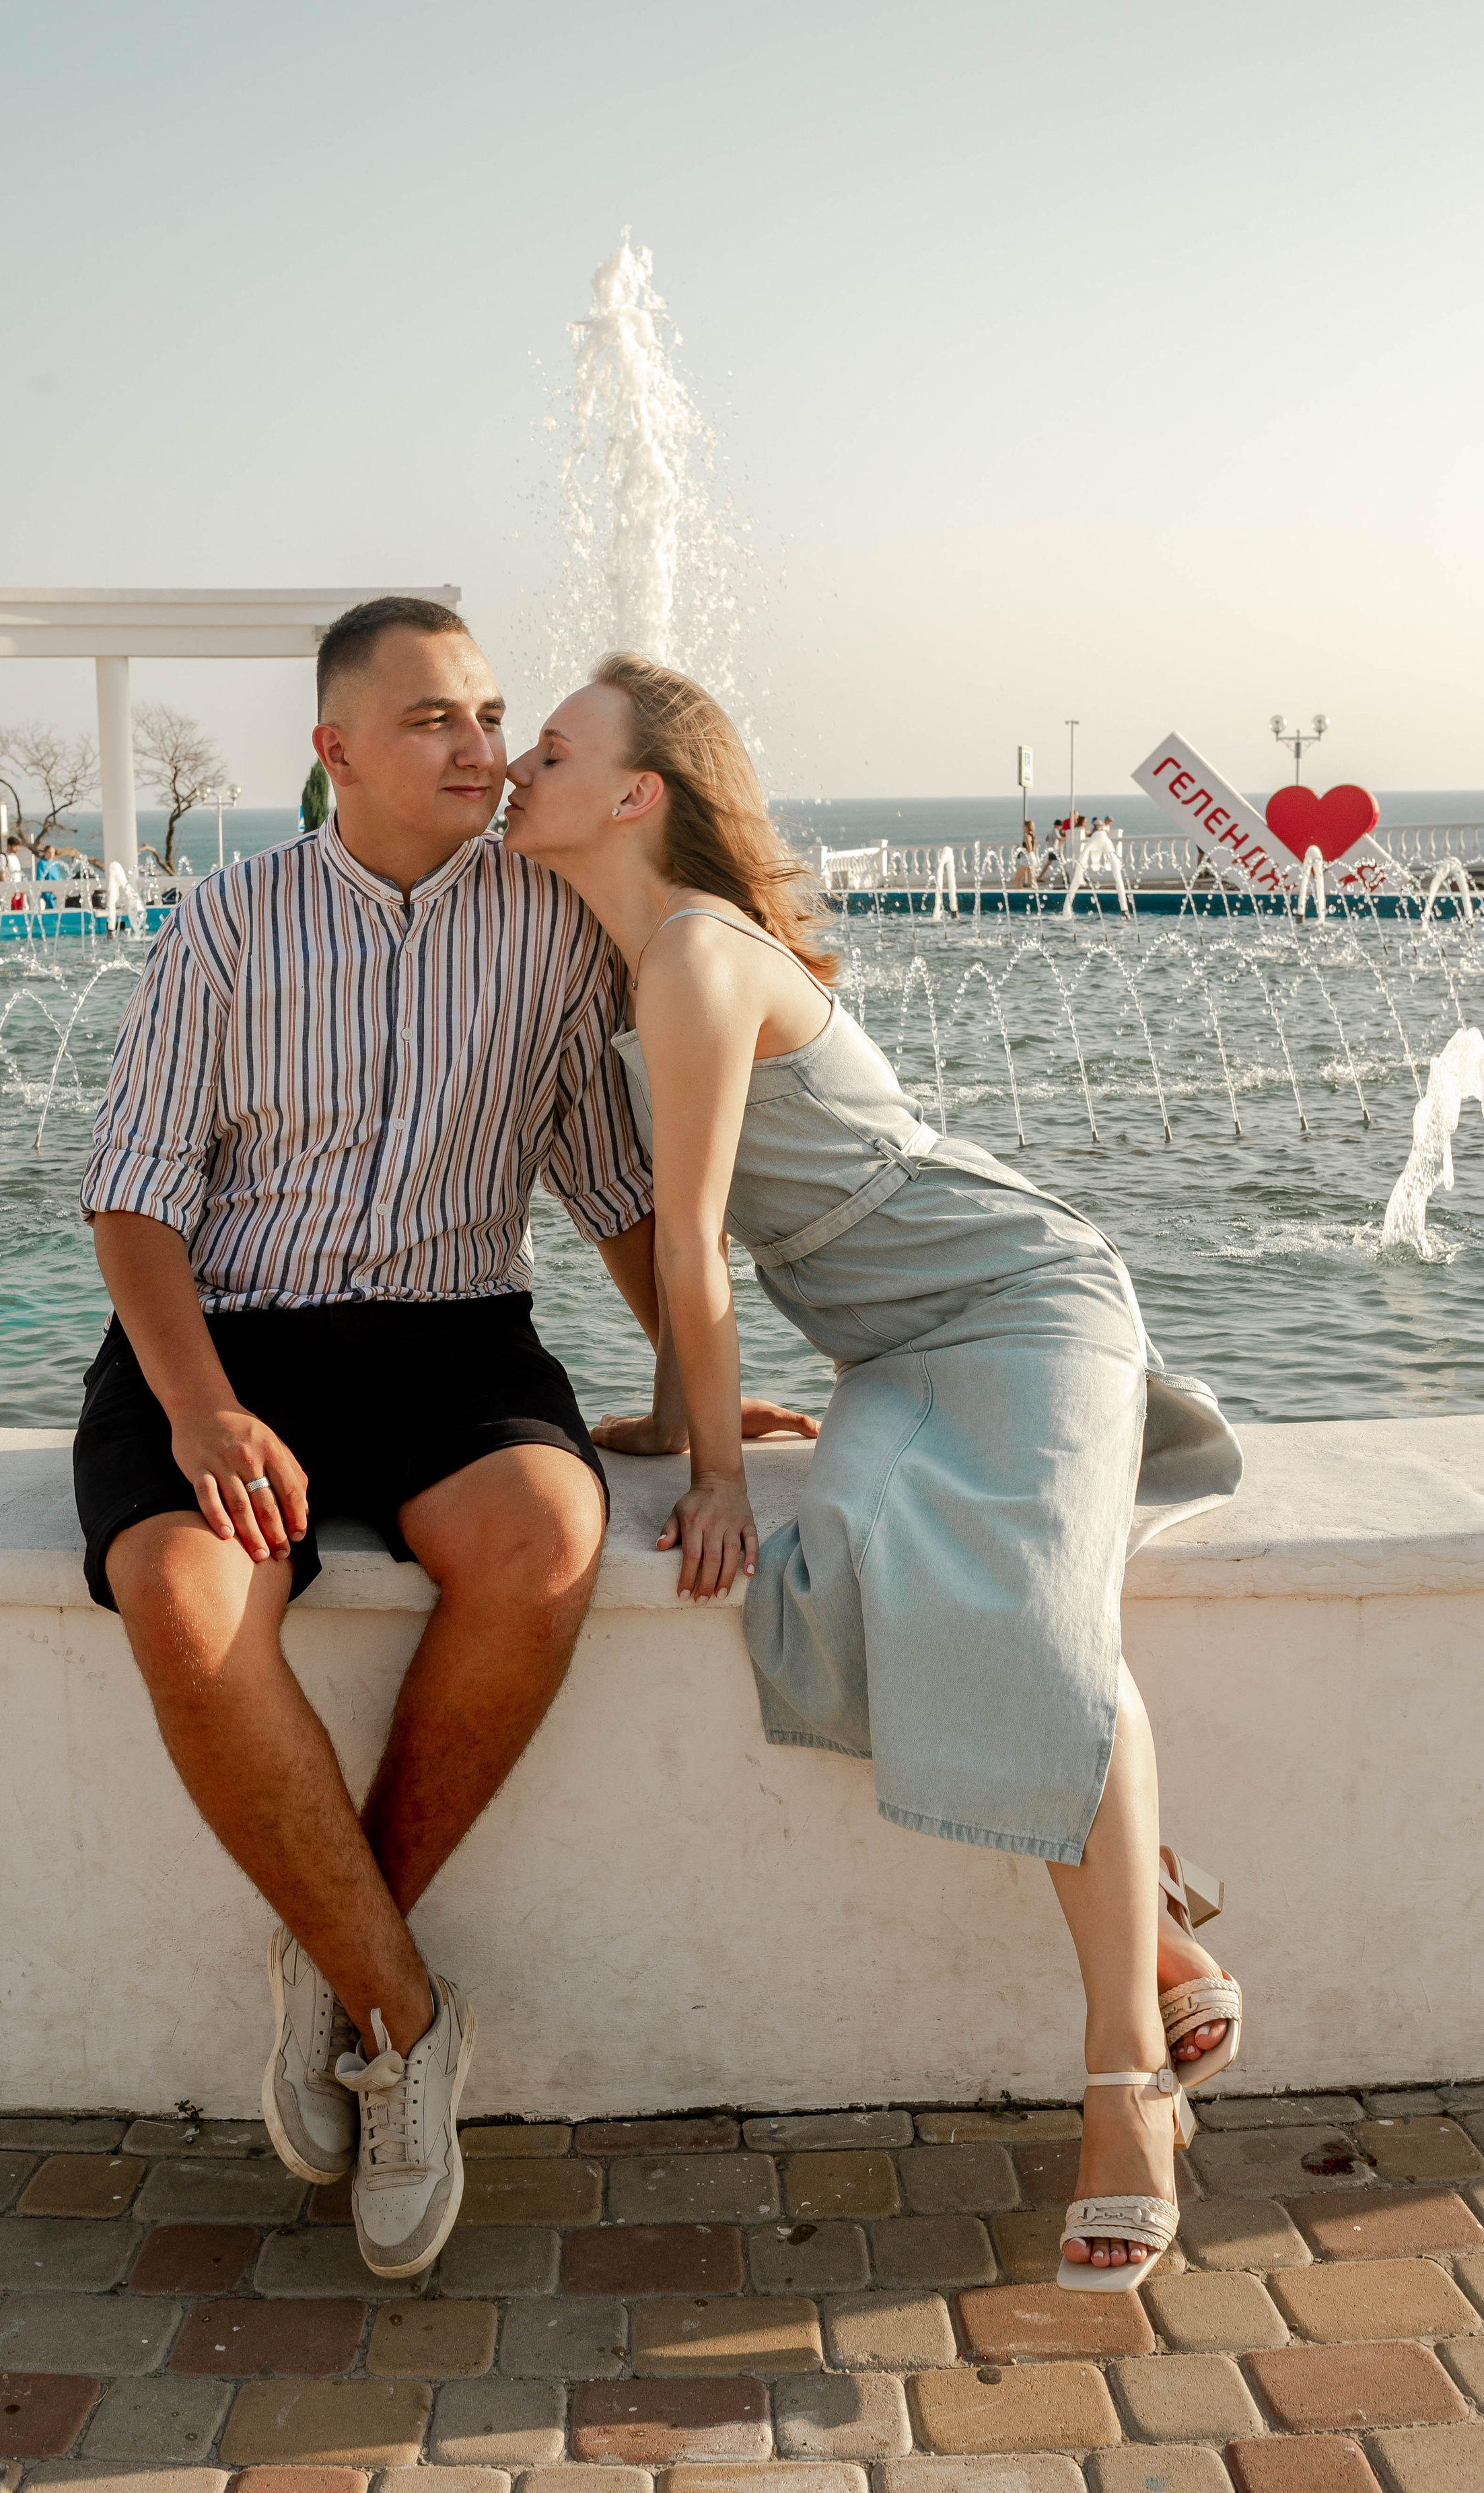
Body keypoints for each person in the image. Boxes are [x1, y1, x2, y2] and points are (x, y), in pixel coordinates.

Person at [76, 597, 808, 2282]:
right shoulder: (227, 922)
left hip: (452, 1334)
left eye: (489, 714)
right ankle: (402, 2018)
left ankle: (338, 1967)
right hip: (226, 1334)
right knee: (187, 1609)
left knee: (545, 1547)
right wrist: (201, 1407)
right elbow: (132, 1192)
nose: (481, 747)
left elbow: (612, 1188)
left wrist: (699, 1399)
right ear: (332, 750)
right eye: (433, 721)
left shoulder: (555, 925)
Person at [504, 652, 1245, 2294]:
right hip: (891, 1354)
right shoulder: (625, 954)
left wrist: (713, 1471)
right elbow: (666, 1229)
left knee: (1032, 1620)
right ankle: (1156, 1925)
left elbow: (692, 1241)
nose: (514, 769)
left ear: (634, 794)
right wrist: (672, 1417)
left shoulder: (692, 951)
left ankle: (1124, 2085)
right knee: (840, 1570)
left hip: (1017, 1301)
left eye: (548, 750)